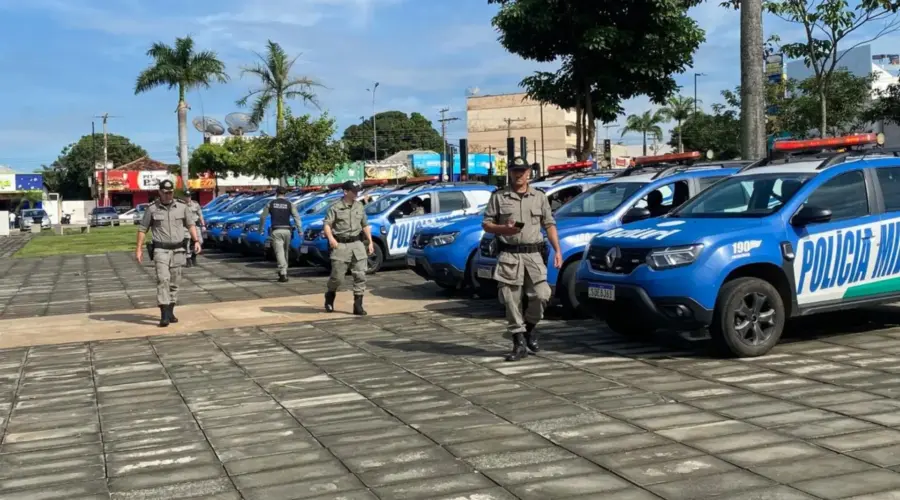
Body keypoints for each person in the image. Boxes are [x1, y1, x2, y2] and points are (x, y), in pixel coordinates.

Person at [482, 156, 562, 362]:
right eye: (515, 170)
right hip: (509, 255)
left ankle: (530, 329)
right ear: (510, 172)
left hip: (533, 255)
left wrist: (558, 250)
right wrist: (503, 229)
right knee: (511, 300)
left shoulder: (539, 196)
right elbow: (487, 224)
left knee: (542, 295)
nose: (519, 174)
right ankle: (518, 342)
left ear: (529, 173)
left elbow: (549, 224)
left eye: (523, 170)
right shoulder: (499, 197)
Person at [136, 180, 201, 327]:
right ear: (159, 192)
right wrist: (138, 248)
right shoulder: (152, 209)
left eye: (170, 192)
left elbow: (190, 225)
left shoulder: (182, 207)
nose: (168, 195)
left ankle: (171, 310)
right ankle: (164, 314)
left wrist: (196, 241)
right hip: (161, 250)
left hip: (178, 250)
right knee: (163, 279)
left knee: (174, 282)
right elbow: (142, 229)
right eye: (165, 192)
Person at [322, 180, 373, 315]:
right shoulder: (335, 207)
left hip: (357, 244)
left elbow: (365, 224)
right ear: (346, 192)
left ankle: (358, 305)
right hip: (341, 245)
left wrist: (370, 241)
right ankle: (330, 295)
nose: (357, 193)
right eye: (354, 191)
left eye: (357, 191)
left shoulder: (359, 206)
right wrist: (331, 239)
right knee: (337, 277)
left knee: (360, 275)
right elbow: (327, 224)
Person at [259, 186, 303, 282]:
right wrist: (300, 230)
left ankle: (283, 272)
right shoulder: (290, 204)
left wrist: (261, 229)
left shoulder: (271, 203)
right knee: (285, 251)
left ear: (276, 193)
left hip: (276, 231)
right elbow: (297, 217)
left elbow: (263, 217)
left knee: (279, 252)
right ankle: (284, 271)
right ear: (285, 194)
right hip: (287, 231)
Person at [182, 191, 205, 267]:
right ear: (184, 197)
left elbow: (200, 215)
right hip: (185, 226)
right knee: (187, 242)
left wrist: (203, 225)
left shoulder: (195, 204)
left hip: (195, 225)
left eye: (189, 196)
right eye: (186, 196)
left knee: (200, 241)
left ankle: (194, 256)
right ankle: (188, 259)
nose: (188, 198)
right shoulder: (181, 205)